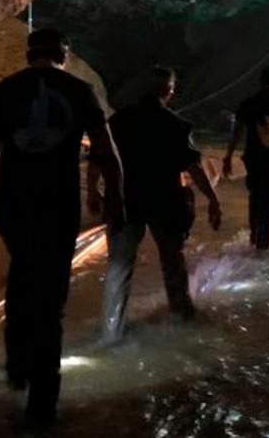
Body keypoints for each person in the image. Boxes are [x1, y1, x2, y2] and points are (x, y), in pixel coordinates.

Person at [0, 29, 124, 428]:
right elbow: (106, 151)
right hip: (57, 203)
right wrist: (116, 201)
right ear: (63, 54)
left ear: (29, 54)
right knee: (51, 299)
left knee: (21, 274)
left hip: (11, 202)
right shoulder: (81, 91)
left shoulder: (3, 91)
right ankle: (42, 404)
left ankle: (16, 370)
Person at [92, 66, 222, 343]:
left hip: (125, 200)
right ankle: (182, 320)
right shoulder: (175, 124)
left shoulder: (119, 120)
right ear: (169, 91)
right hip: (165, 201)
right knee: (172, 261)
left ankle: (111, 331)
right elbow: (194, 166)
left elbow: (100, 156)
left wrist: (93, 190)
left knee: (119, 266)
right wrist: (212, 199)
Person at [223, 66, 269, 251]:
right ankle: (262, 243)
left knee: (255, 194)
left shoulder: (249, 102)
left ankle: (254, 234)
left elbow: (237, 132)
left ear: (261, 80)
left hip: (252, 156)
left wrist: (228, 157)